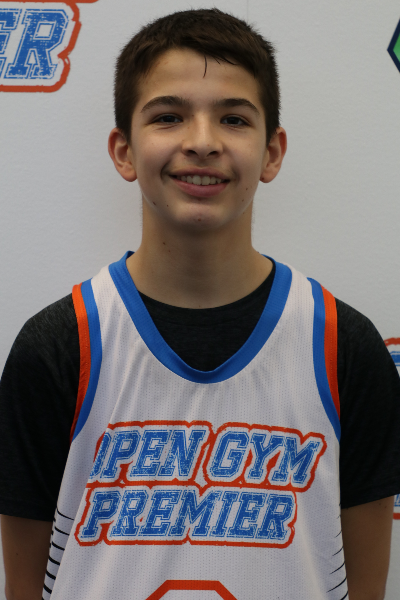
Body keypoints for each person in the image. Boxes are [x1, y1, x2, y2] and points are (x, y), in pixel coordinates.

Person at [1, 8, 400, 600]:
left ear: (272, 152)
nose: (203, 142)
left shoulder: (344, 346)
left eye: (233, 118)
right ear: (124, 151)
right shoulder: (57, 346)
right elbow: (24, 586)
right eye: (168, 116)